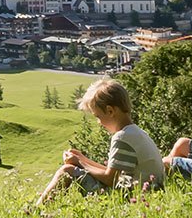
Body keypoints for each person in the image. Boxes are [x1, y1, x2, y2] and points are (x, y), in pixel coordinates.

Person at [37, 78, 165, 203]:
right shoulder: (136, 132)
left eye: (98, 116)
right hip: (147, 192)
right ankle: (42, 204)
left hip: (129, 197)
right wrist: (81, 158)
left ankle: (38, 210)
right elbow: (111, 171)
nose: (99, 122)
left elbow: (110, 179)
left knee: (67, 171)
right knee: (72, 167)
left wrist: (79, 163)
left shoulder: (122, 137)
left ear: (110, 111)